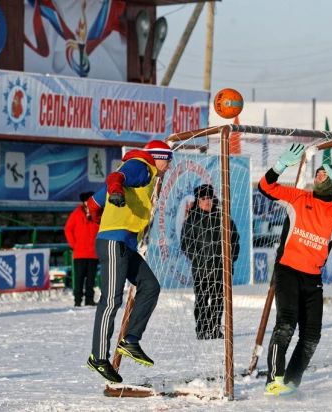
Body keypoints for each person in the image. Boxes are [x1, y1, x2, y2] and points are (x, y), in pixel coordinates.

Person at [259, 143, 332, 396]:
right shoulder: (300, 197)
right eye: (319, 173)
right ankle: (274, 379)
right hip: (288, 270)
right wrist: (280, 166)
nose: (320, 176)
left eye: (327, 174)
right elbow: (265, 187)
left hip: (313, 277)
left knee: (312, 336)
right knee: (286, 324)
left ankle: (290, 382)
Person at [85, 140, 172, 383]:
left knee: (150, 286)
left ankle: (130, 340)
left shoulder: (146, 174)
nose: (169, 165)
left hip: (125, 244)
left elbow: (93, 203)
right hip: (114, 242)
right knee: (111, 299)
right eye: (168, 159)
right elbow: (115, 177)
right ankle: (99, 356)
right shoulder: (140, 166)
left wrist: (99, 213)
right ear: (158, 157)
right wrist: (116, 192)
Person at [181, 184, 240, 340]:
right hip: (200, 269)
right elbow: (186, 243)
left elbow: (235, 240)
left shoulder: (223, 218)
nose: (207, 202)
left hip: (221, 269)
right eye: (204, 198)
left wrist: (229, 260)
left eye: (209, 198)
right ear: (198, 200)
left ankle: (215, 328)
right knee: (201, 299)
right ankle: (201, 329)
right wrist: (198, 258)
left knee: (218, 300)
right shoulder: (192, 220)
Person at [64, 191, 99, 307]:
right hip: (80, 253)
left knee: (91, 279)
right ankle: (77, 300)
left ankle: (89, 299)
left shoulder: (97, 214)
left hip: (93, 253)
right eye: (86, 201)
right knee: (78, 279)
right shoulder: (76, 214)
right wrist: (74, 244)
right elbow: (68, 229)